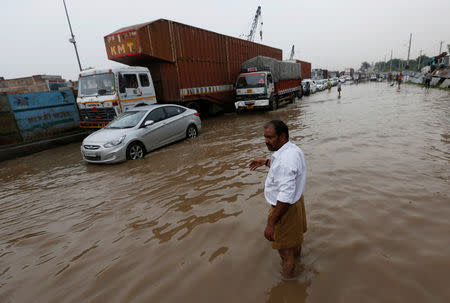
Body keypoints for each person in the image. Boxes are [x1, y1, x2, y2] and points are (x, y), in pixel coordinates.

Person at [249, 120, 307, 278]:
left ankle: (288, 284)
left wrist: (271, 223)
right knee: (295, 242)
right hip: (296, 204)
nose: (266, 141)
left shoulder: (285, 161)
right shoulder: (292, 150)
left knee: (284, 253)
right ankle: (298, 263)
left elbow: (285, 197)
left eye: (270, 137)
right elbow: (286, 173)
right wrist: (267, 162)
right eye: (265, 137)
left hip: (284, 210)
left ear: (282, 137)